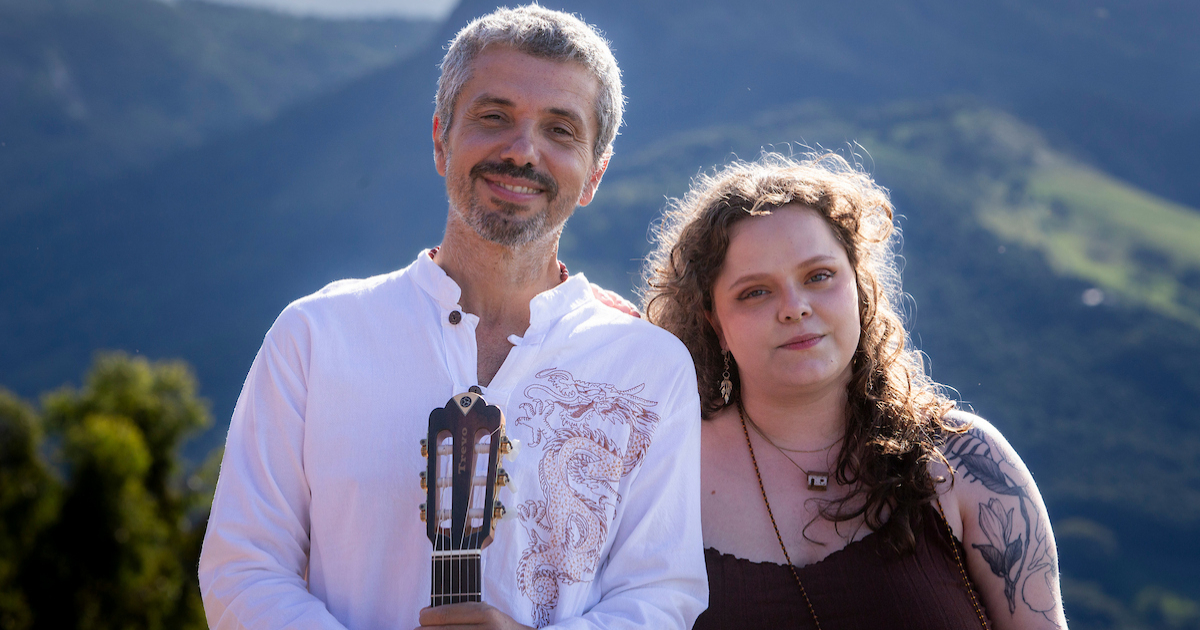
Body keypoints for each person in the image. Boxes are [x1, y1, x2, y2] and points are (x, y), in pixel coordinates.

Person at [198, 6, 707, 630]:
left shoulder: (648, 369)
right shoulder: (315, 337)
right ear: (441, 139)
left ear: (594, 174)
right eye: (494, 117)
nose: (522, 151)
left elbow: (660, 595)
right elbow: (243, 567)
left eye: (560, 130)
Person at [642, 152, 1068, 629]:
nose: (795, 307)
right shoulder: (658, 477)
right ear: (714, 323)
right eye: (755, 292)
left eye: (818, 276)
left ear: (860, 289)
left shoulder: (966, 464)